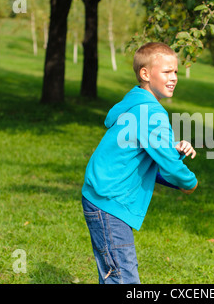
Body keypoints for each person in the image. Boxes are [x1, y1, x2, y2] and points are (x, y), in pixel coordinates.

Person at [81, 42, 198, 284]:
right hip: (110, 202)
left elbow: (147, 160)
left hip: (102, 198)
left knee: (114, 276)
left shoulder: (136, 104)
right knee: (124, 279)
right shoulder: (150, 113)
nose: (174, 77)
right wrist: (189, 183)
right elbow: (170, 167)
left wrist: (175, 150)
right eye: (167, 72)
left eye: (175, 72)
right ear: (145, 74)